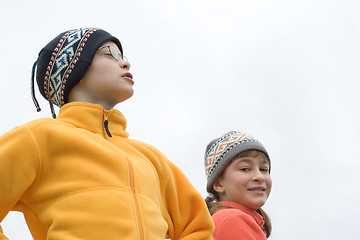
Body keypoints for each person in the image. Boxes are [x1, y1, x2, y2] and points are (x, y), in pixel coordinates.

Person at [0, 27, 214, 240]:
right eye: (109, 54)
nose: (125, 63)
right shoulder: (40, 138)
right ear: (75, 69)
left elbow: (198, 227)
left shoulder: (151, 158)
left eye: (123, 57)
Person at [203, 131, 272, 239]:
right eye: (245, 169)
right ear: (218, 184)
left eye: (263, 169)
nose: (260, 177)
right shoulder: (231, 220)